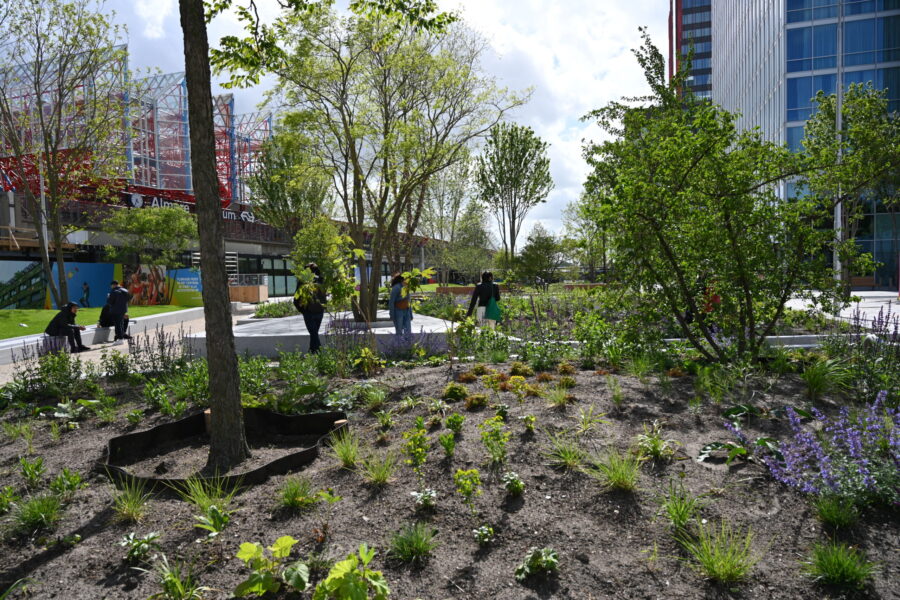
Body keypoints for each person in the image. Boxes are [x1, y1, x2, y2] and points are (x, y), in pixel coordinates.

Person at [294, 262, 327, 354]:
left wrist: (302, 310)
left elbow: (296, 298)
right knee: (314, 333)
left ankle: (319, 353)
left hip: (309, 312)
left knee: (314, 334)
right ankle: (312, 352)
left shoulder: (303, 281)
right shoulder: (321, 280)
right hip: (320, 311)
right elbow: (324, 295)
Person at [106, 280, 132, 345]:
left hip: (116, 310)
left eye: (111, 285)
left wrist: (108, 296)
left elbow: (109, 302)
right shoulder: (125, 290)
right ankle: (121, 337)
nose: (111, 287)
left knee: (118, 324)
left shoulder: (114, 291)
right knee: (121, 323)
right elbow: (129, 299)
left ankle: (120, 339)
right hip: (123, 310)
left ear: (113, 285)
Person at [388, 273, 412, 337]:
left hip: (406, 311)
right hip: (398, 311)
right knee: (399, 330)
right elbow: (391, 302)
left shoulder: (407, 288)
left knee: (408, 330)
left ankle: (408, 345)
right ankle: (398, 345)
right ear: (403, 279)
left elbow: (409, 301)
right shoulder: (396, 288)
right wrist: (392, 314)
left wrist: (410, 313)